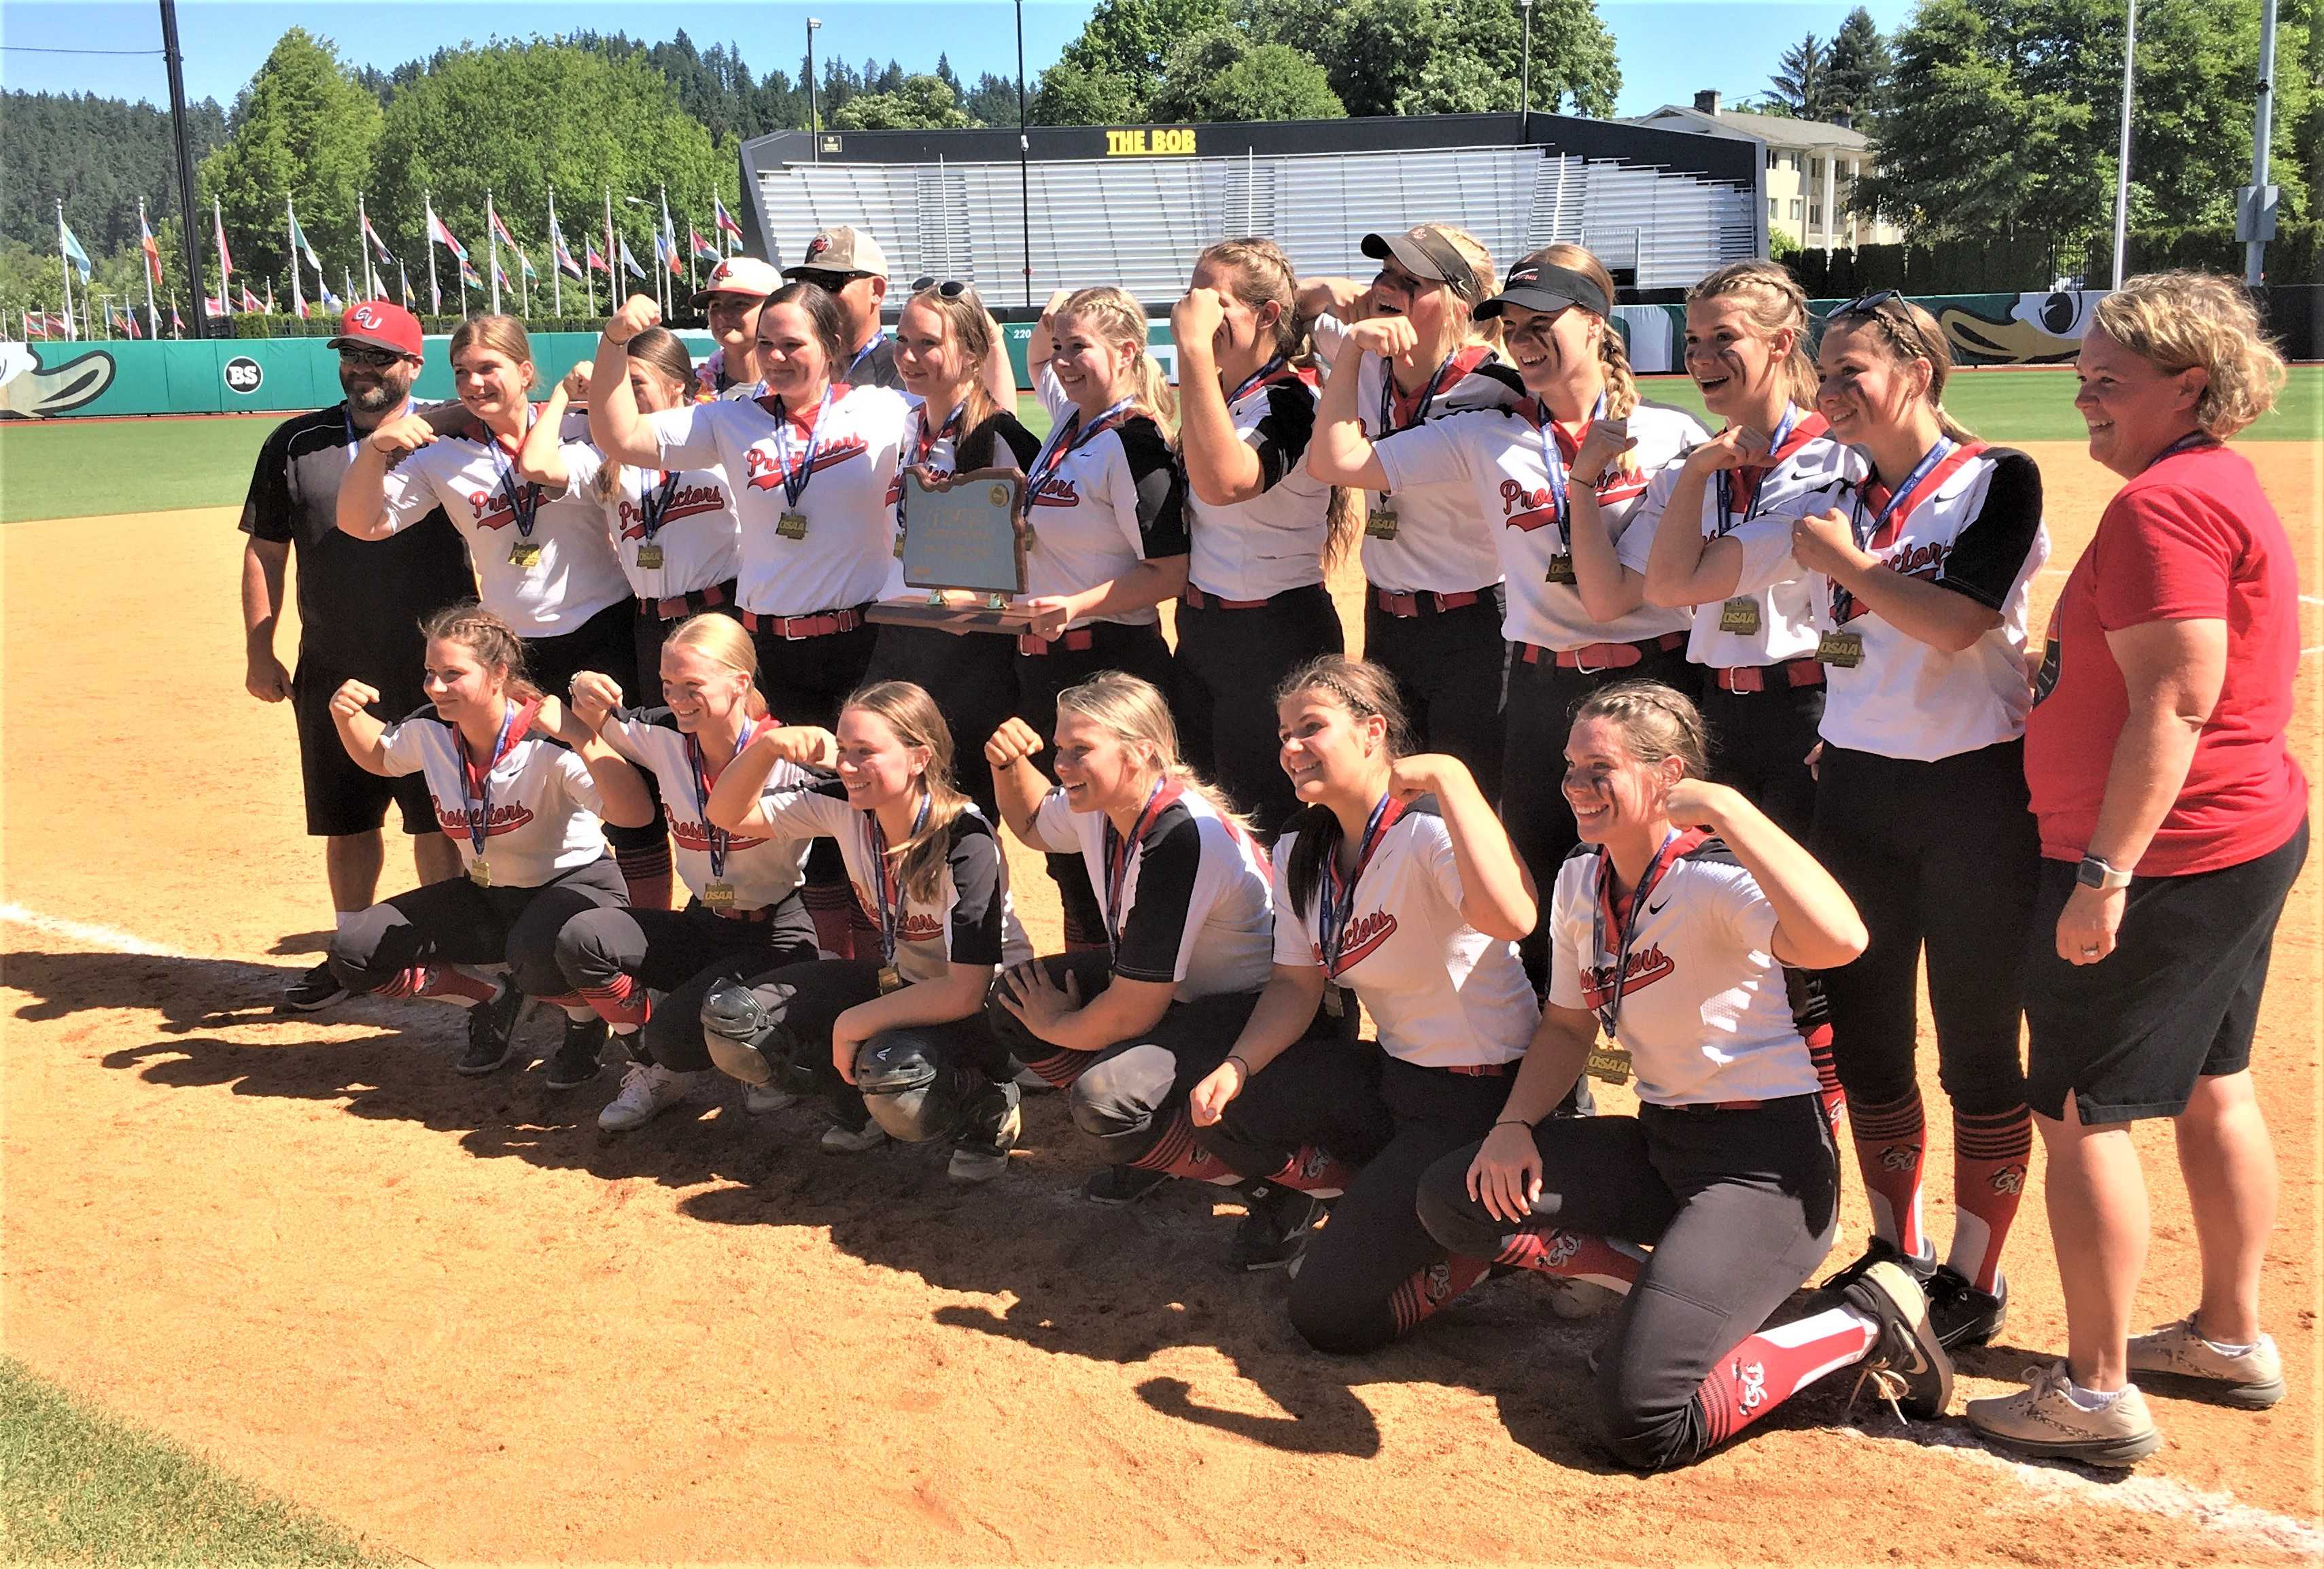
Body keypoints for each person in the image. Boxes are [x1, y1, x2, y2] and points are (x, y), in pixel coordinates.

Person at [1643, 291, 2050, 1349]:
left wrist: (1840, 564)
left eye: (1849, 371)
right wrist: (1697, 473)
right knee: (1869, 1046)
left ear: (1914, 371)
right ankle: (1897, 1250)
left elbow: (1956, 625)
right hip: (1857, 795)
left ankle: (1975, 1275)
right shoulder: (1830, 494)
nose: (1827, 392)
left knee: (1973, 1051)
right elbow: (1677, 579)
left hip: (1972, 796)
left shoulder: (1993, 480)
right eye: (1821, 373)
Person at [1413, 683, 1954, 1472]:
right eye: (1570, 767)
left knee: (1641, 1422)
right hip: (1663, 1144)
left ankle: (1866, 1319)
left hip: (1764, 1173)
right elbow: (1566, 1027)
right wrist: (1512, 1125)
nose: (1573, 787)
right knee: (1454, 1198)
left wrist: (1729, 811)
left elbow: (1841, 938)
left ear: (1668, 776)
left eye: (1598, 771)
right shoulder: (1579, 879)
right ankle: (1668, 1293)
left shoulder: (1715, 877)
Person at [1966, 272, 2308, 1464]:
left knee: (2075, 1112)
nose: (2083, 397)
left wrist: (2101, 874)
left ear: (2190, 387)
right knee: (2214, 1080)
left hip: (2159, 855)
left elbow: (2172, 697)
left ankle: (2096, 1390)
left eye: (2108, 380)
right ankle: (2223, 1335)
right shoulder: (2202, 482)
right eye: (2081, 375)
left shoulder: (2162, 506)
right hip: (2232, 831)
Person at [1309, 244, 1706, 981]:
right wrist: (1351, 353)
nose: (1523, 342)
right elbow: (1335, 460)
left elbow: (1634, 591)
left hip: (1651, 688)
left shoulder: (1673, 438)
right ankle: (1559, 1087)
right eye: (1513, 328)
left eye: (1542, 323)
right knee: (1539, 891)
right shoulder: (1482, 432)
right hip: (1539, 691)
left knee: (1667, 884)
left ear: (1593, 323)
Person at [1187, 657, 1542, 1298]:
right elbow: (1296, 986)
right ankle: (1390, 1204)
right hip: (1397, 1076)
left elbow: (1514, 917)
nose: (1290, 748)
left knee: (1326, 1309)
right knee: (1233, 1108)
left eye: (1310, 728)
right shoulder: (1303, 847)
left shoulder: (1433, 825)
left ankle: (1517, 1240)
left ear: (1372, 732)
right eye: (1283, 735)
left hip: (1482, 1096)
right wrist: (1236, 1064)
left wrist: (1452, 776)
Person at [588, 288, 916, 963]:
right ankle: (830, 970)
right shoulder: (732, 420)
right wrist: (613, 343)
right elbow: (619, 435)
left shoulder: (883, 410)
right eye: (765, 343)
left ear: (831, 345)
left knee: (871, 805)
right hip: (770, 649)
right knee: (799, 812)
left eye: (792, 343)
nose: (775, 357)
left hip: (862, 644)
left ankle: (893, 959)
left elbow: (967, 418)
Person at [334, 313, 670, 933]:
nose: (474, 383)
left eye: (488, 368)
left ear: (524, 371)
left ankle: (642, 937)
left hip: (606, 628)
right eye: (461, 372)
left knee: (629, 792)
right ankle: (535, 937)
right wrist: (379, 448)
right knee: (524, 790)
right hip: (516, 653)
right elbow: (362, 523)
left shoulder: (580, 427)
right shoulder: (449, 455)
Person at [984, 672, 1326, 1225]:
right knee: (1013, 1000)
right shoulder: (1103, 803)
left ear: (1140, 752)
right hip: (1182, 991)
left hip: (1259, 1010)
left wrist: (1056, 1027)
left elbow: (1132, 1011)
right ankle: (1160, 1143)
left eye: (1080, 751)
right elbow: (1029, 824)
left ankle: (1278, 1188)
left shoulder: (1181, 837)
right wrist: (1006, 765)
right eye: (1060, 749)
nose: (1061, 767)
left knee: (1105, 1100)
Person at [697, 680, 1034, 1182]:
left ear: (919, 758)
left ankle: (985, 1103)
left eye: (866, 753)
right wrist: (767, 747)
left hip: (986, 1011)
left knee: (895, 1068)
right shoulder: (846, 806)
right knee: (736, 1022)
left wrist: (852, 1024)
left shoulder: (965, 837)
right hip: (906, 985)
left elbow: (966, 991)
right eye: (843, 751)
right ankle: (857, 1097)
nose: (847, 767)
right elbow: (725, 814)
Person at [239, 300, 471, 1011]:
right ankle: (352, 954)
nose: (360, 368)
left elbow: (509, 406)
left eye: (378, 356)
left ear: (412, 365)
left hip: (434, 666)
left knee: (434, 819)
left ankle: (444, 951)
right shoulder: (295, 442)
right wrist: (259, 648)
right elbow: (265, 550)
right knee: (346, 819)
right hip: (333, 659)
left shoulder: (451, 429)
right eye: (351, 353)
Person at [323, 604, 654, 1083]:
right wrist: (344, 715)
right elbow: (381, 756)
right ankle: (494, 1000)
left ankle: (585, 1024)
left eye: (452, 674)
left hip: (576, 890)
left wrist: (582, 736)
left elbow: (634, 814)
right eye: (430, 673)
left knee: (536, 952)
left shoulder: (548, 741)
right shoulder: (432, 730)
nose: (435, 687)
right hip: (487, 893)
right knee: (355, 953)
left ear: (499, 673)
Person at [549, 614, 820, 1131]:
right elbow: (594, 710)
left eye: (692, 685)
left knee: (676, 1033)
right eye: (669, 685)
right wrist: (579, 683)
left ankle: (758, 1057)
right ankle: (658, 1063)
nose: (677, 699)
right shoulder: (661, 735)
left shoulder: (788, 752)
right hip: (705, 918)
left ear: (741, 682)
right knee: (584, 937)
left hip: (777, 931)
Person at [1302, 226, 1521, 799]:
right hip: (1388, 620)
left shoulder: (1492, 389)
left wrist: (1349, 344)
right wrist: (1326, 289)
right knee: (1392, 795)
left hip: (1472, 629)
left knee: (1467, 804)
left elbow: (1338, 463)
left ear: (1459, 302)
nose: (1386, 288)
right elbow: (1284, 311)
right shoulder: (1369, 357)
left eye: (1410, 281)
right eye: (1384, 274)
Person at [1016, 286, 1190, 948]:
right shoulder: (1070, 419)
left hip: (1111, 666)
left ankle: (1129, 992)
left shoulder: (1133, 440)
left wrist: (1075, 605)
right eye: (1059, 346)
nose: (1061, 361)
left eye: (1078, 347)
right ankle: (1083, 986)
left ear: (1125, 351)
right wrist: (1057, 317)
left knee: (1122, 845)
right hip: (1049, 665)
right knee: (1067, 852)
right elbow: (1036, 360)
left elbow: (1168, 571)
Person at [1169, 238, 1347, 836]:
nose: (1196, 312)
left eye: (1214, 301)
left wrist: (1193, 351)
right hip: (1203, 632)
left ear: (1267, 315)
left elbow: (1226, 483)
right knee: (1201, 818)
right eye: (1193, 297)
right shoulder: (1221, 394)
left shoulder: (1292, 399)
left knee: (1272, 824)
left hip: (1272, 638)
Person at [865, 280, 1043, 821]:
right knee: (892, 805)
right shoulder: (904, 425)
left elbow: (1039, 549)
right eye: (902, 340)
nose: (909, 356)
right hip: (898, 635)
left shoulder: (999, 434)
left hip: (968, 652)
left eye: (927, 343)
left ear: (970, 353)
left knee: (962, 813)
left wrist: (977, 604)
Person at [515, 327, 742, 689]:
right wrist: (562, 394)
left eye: (634, 383)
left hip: (720, 614)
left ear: (677, 385)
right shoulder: (607, 456)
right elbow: (536, 465)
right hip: (652, 626)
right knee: (662, 737)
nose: (623, 396)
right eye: (615, 386)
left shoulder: (717, 437)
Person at [784, 226, 903, 391]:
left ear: (876, 290)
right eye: (808, 282)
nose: (818, 295)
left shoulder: (903, 371)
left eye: (831, 282)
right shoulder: (793, 366)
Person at [691, 255, 781, 399]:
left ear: (774, 309)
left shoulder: (794, 389)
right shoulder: (689, 387)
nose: (723, 314)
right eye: (716, 305)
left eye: (739, 304)